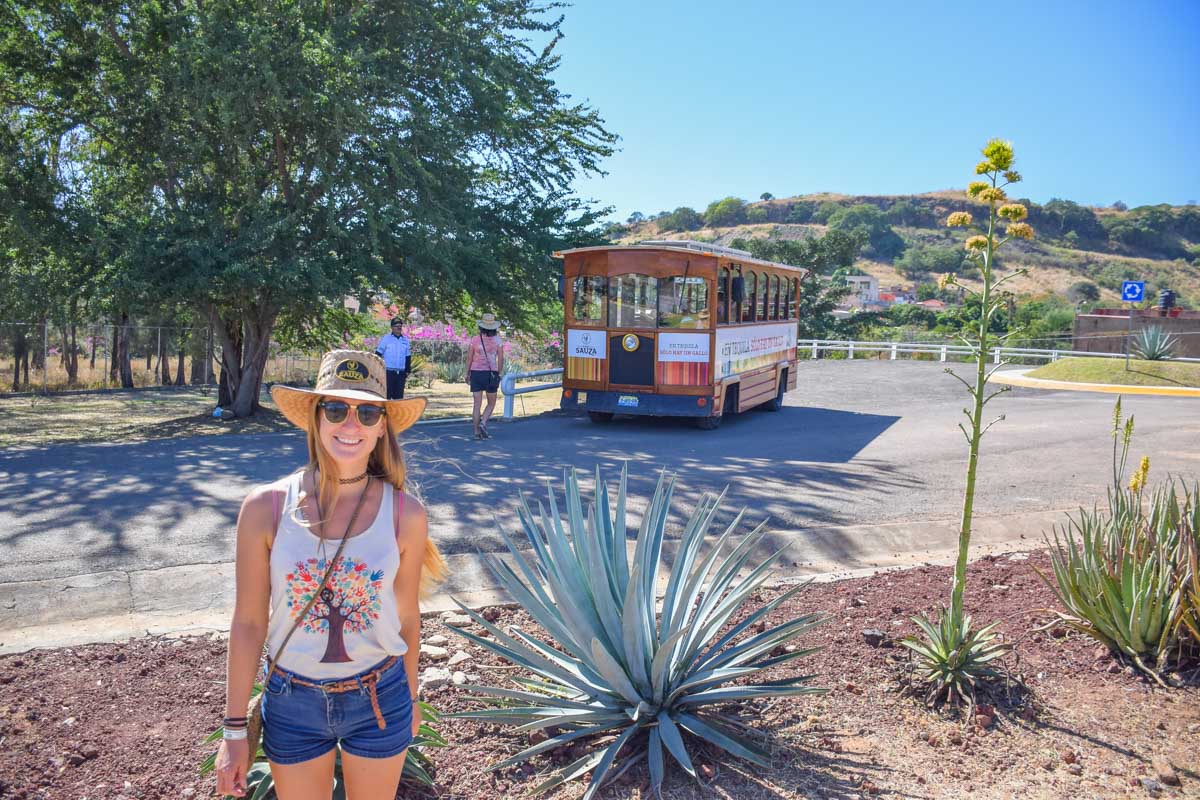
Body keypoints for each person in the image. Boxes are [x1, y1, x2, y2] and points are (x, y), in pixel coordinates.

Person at [214, 350, 445, 799]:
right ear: (316, 418)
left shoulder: (406, 515)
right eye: (336, 409)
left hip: (380, 697)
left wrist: (412, 696)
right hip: (291, 701)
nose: (351, 424)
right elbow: (248, 622)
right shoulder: (265, 508)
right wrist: (235, 729)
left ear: (382, 427)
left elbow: (407, 618)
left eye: (367, 412)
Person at [465, 312, 504, 440]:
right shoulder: (498, 340)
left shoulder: (475, 340)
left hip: (476, 373)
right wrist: (499, 373)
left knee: (477, 404)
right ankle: (483, 423)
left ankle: (476, 432)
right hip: (491, 373)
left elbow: (469, 358)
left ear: (481, 327)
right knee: (491, 403)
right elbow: (500, 359)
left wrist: (467, 373)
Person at [375, 318, 412, 399]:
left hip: (401, 373)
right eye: (396, 326)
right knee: (386, 396)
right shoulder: (386, 339)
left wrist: (408, 370)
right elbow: (378, 354)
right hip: (388, 372)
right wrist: (377, 369)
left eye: (400, 326)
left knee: (398, 398)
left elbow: (408, 356)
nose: (399, 328)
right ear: (392, 327)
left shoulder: (405, 340)